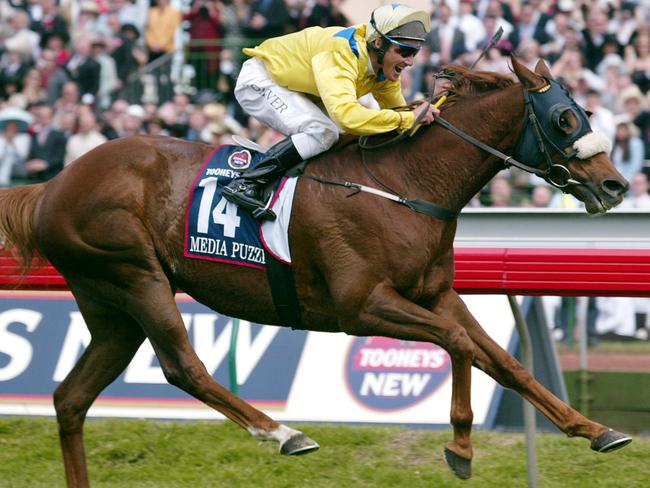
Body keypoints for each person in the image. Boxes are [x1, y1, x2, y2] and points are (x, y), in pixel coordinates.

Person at [223, 3, 445, 220]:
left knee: (341, 135)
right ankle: (247, 183)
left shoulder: (383, 70)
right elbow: (349, 117)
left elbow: (398, 116)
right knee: (323, 131)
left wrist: (421, 115)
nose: (410, 61)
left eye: (414, 52)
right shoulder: (342, 52)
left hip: (297, 89)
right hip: (261, 80)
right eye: (404, 51)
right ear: (379, 43)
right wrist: (406, 118)